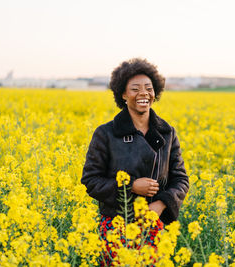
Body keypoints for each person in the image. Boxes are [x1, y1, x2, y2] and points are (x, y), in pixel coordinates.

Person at [81, 58, 189, 265]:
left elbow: (181, 179)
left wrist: (161, 204)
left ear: (155, 93)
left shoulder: (167, 133)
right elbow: (91, 180)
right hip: (116, 225)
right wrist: (130, 186)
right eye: (135, 89)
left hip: (154, 224)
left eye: (149, 88)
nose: (143, 94)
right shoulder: (106, 133)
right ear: (123, 94)